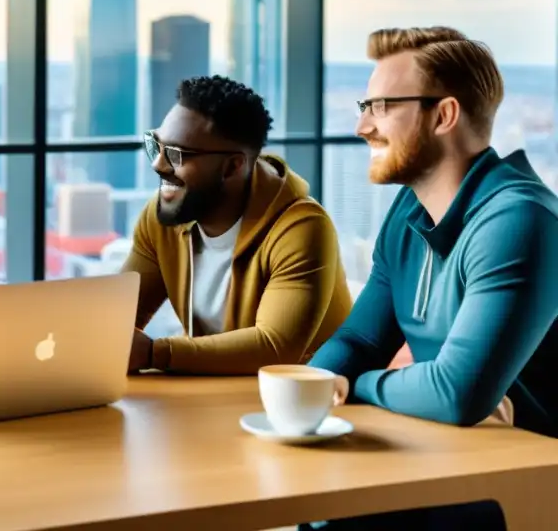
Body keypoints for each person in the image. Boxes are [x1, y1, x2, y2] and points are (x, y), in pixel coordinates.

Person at [307, 27, 558, 530]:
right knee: (317, 503)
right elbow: (359, 337)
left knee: (336, 516)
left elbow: (455, 393)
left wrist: (355, 383)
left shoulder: (520, 220)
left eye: (379, 107)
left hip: (525, 480)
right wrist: (320, 382)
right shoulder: (408, 211)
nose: (361, 126)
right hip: (449, 451)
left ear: (443, 115)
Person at [122, 75, 352, 374]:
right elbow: (119, 317)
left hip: (307, 404)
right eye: (157, 146)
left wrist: (154, 354)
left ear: (232, 166)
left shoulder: (303, 227)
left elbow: (274, 346)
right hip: (213, 393)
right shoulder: (164, 217)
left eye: (177, 154)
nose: (158, 165)